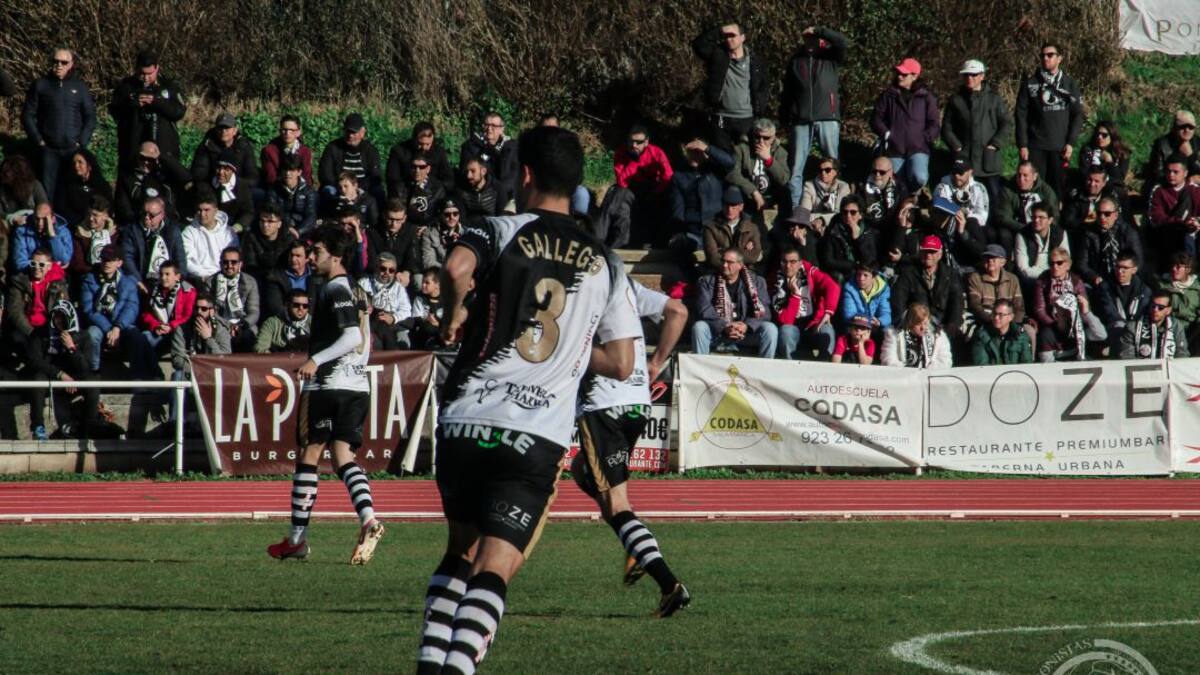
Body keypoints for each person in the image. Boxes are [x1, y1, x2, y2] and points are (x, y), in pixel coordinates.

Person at [416, 126, 639, 673]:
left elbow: (454, 270)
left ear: (527, 176)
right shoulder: (607, 262)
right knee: (494, 566)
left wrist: (452, 319)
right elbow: (622, 362)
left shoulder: (499, 226)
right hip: (536, 433)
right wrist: (569, 346)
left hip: (466, 417)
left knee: (458, 553)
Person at [267, 225, 384, 565]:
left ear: (334, 255)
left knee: (309, 453)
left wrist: (315, 359)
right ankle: (369, 519)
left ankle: (296, 540)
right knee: (343, 455)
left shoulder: (335, 287)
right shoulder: (358, 289)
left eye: (316, 252)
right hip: (357, 385)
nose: (311, 258)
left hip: (329, 384)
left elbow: (349, 337)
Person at [573, 275, 690, 611]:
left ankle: (669, 585)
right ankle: (635, 542)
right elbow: (678, 312)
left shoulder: (576, 285)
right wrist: (656, 362)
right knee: (584, 469)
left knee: (616, 504)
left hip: (603, 404)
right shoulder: (625, 284)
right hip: (638, 401)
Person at [781, 25, 848, 206]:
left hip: (827, 117)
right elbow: (787, 92)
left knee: (832, 164)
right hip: (800, 119)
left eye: (814, 38)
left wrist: (819, 30)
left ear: (820, 39)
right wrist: (784, 118)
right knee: (796, 167)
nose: (810, 42)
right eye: (807, 39)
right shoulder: (796, 61)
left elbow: (842, 42)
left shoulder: (830, 57)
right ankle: (796, 209)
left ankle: (836, 204)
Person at [5, 248, 68, 439]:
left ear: (49, 266)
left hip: (48, 333)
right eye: (33, 264)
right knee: (35, 362)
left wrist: (47, 333)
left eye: (41, 265)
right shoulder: (19, 281)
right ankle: (38, 426)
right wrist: (33, 335)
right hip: (28, 332)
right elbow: (15, 312)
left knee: (39, 374)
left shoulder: (58, 284)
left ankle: (39, 426)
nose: (37, 268)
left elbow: (62, 312)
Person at [22, 47, 97, 203]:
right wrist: (38, 140)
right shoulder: (41, 85)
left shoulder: (80, 87)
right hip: (49, 150)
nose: (59, 65)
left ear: (71, 64)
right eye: (55, 61)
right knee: (47, 193)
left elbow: (90, 116)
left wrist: (81, 142)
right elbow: (27, 115)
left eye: (64, 62)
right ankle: (48, 223)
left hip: (73, 150)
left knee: (71, 190)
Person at [1015, 41, 1084, 198]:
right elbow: (1020, 115)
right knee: (1034, 188)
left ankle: (1055, 220)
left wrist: (1071, 143)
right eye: (1042, 55)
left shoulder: (1069, 83)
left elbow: (1077, 115)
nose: (1046, 58)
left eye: (1050, 55)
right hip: (1035, 146)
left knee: (1057, 189)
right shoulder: (1031, 83)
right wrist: (1022, 144)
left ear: (1059, 58)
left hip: (1059, 147)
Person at [691, 21, 769, 151]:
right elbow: (699, 45)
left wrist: (760, 106)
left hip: (746, 117)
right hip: (721, 116)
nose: (729, 39)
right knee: (722, 157)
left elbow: (763, 85)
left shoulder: (754, 60)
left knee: (747, 155)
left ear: (742, 37)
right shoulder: (718, 55)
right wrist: (719, 30)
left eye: (732, 35)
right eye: (726, 36)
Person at [941, 59, 1011, 204]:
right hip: (965, 160)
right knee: (963, 199)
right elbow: (947, 128)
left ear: (982, 76)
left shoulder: (994, 99)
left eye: (973, 75)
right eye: (966, 75)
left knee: (994, 198)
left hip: (989, 161)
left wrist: (995, 143)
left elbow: (1006, 123)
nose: (969, 78)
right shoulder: (956, 100)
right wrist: (956, 146)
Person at [597, 125, 674, 248]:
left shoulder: (657, 153)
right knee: (617, 195)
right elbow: (622, 182)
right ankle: (601, 239)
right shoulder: (621, 153)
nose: (634, 145)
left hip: (654, 189)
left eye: (639, 142)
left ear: (646, 142)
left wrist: (655, 192)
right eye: (631, 142)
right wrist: (634, 161)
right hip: (629, 189)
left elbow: (668, 177)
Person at [109, 50, 186, 172]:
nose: (146, 78)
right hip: (133, 147)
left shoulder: (168, 86)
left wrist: (158, 103)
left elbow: (179, 112)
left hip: (164, 146)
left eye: (150, 74)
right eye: (142, 74)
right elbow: (114, 111)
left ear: (157, 68)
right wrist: (133, 104)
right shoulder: (126, 86)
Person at [871, 58, 939, 192]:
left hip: (918, 149)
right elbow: (876, 119)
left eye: (904, 74)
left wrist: (924, 138)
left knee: (919, 177)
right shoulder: (888, 96)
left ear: (915, 76)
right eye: (898, 73)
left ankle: (914, 196)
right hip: (894, 148)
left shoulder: (926, 97)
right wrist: (887, 134)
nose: (899, 76)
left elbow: (934, 123)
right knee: (894, 183)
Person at [1031, 248, 1105, 362]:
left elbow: (1101, 335)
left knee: (1097, 332)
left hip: (1076, 323)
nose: (1055, 266)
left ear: (1068, 265)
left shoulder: (1076, 281)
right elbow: (1039, 309)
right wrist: (1059, 324)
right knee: (1046, 335)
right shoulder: (1042, 281)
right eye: (1051, 263)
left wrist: (1086, 311)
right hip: (1052, 323)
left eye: (1059, 263)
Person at [130, 259, 195, 381]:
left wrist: (171, 326)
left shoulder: (188, 291)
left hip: (180, 334)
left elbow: (188, 316)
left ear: (177, 277)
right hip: (160, 331)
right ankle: (154, 374)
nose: (163, 278)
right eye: (161, 274)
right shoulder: (154, 291)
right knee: (143, 338)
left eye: (167, 274)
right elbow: (146, 314)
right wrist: (156, 325)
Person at [79, 243, 139, 373]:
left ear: (119, 263)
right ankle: (94, 371)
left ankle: (138, 375)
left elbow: (131, 307)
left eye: (111, 260)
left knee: (136, 335)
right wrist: (109, 330)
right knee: (92, 334)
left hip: (120, 324)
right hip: (99, 324)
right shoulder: (90, 280)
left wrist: (117, 327)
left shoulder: (128, 282)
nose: (107, 263)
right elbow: (88, 310)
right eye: (104, 259)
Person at [770, 246, 838, 360]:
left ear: (800, 263)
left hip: (812, 323)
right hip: (793, 326)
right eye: (784, 262)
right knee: (786, 331)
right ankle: (790, 369)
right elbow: (785, 320)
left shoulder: (809, 271)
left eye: (792, 262)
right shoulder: (775, 280)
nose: (788, 266)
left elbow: (833, 286)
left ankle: (825, 369)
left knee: (827, 330)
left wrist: (828, 311)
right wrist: (795, 295)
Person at [889, 235, 963, 337]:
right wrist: (906, 325)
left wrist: (951, 327)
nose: (928, 255)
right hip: (915, 324)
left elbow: (957, 303)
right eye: (926, 251)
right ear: (920, 252)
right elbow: (898, 301)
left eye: (932, 252)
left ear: (940, 254)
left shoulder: (951, 274)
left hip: (942, 325)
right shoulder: (908, 273)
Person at [668, 139, 733, 246]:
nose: (694, 155)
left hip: (717, 229)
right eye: (691, 151)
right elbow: (678, 208)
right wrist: (678, 231)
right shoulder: (679, 176)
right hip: (693, 231)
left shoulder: (715, 170)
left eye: (698, 151)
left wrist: (708, 149)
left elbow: (730, 163)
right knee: (680, 244)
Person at [121, 196, 187, 294]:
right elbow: (127, 257)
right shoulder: (131, 231)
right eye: (144, 214)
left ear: (162, 214)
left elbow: (180, 258)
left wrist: (177, 281)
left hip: (168, 280)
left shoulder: (173, 230)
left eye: (151, 215)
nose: (146, 218)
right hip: (142, 280)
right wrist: (138, 281)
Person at [112, 141, 190, 224]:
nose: (146, 162)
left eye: (150, 159)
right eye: (143, 158)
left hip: (167, 223)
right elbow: (123, 207)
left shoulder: (164, 175)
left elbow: (186, 177)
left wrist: (162, 157)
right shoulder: (127, 177)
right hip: (138, 223)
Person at [994, 162, 1059, 260]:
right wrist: (1025, 229)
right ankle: (1008, 264)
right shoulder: (1007, 190)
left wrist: (1041, 228)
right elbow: (1004, 217)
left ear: (1034, 176)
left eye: (1025, 175)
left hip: (1041, 227)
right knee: (1004, 234)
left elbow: (1054, 215)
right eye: (1019, 175)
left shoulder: (1046, 191)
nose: (1021, 179)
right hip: (1018, 227)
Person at [727, 118, 790, 216]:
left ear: (773, 138)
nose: (761, 141)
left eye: (766, 138)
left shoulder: (780, 152)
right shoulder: (742, 149)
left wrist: (769, 159)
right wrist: (754, 192)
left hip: (771, 196)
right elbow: (732, 173)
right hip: (748, 196)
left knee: (786, 191)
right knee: (733, 189)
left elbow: (784, 179)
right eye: (757, 137)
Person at [1075, 197, 1142, 287]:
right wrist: (1094, 277)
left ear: (1116, 215)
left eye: (1107, 214)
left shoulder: (1128, 233)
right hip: (1098, 279)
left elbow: (1138, 261)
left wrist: (1126, 275)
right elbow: (1081, 264)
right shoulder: (1088, 234)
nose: (1102, 217)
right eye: (1099, 214)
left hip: (1124, 278)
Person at [458, 112, 519, 209]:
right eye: (486, 125)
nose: (489, 129)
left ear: (502, 129)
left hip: (507, 195)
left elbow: (515, 175)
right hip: (479, 196)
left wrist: (501, 189)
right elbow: (465, 173)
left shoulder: (512, 147)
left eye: (494, 126)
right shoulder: (470, 146)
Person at [1094, 250, 1151, 353]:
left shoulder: (1143, 290)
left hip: (1136, 330)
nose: (1120, 271)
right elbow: (1110, 313)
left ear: (1134, 270)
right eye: (1117, 267)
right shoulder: (1105, 286)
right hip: (1113, 329)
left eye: (1125, 268)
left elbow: (1143, 313)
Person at [318, 113, 383, 201]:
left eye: (353, 132)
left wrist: (355, 189)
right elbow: (325, 174)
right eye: (348, 131)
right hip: (338, 186)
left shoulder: (370, 151)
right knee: (327, 191)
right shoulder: (333, 147)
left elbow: (375, 175)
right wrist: (342, 188)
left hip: (362, 188)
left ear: (362, 133)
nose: (350, 135)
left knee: (378, 191)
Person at [1147, 157, 1200, 261]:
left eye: (1176, 172)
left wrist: (1196, 222)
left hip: (1193, 230)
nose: (1171, 175)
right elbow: (1155, 217)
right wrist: (1182, 222)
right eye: (1168, 171)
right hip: (1167, 231)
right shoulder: (1159, 190)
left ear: (1185, 173)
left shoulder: (1194, 190)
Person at [818, 194, 878, 284]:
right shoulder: (834, 230)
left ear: (860, 215)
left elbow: (870, 260)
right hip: (842, 271)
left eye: (853, 212)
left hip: (863, 273)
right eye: (845, 212)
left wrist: (858, 239)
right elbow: (828, 260)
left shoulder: (868, 231)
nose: (848, 216)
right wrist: (854, 265)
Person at [210, 246, 260, 352]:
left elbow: (254, 311)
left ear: (240, 264)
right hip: (220, 322)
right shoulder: (211, 282)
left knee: (249, 335)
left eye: (233, 262)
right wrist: (227, 326)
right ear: (220, 264)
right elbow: (211, 311)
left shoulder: (250, 282)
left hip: (243, 322)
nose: (229, 266)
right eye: (225, 262)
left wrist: (241, 325)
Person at [182, 192, 238, 286]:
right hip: (200, 279)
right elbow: (187, 261)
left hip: (226, 276)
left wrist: (222, 275)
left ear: (215, 211)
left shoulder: (229, 233)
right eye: (199, 210)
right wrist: (204, 275)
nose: (202, 214)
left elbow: (235, 258)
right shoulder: (189, 232)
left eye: (206, 210)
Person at [387, 121, 456, 198]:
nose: (424, 148)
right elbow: (392, 180)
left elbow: (449, 180)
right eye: (420, 144)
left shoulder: (439, 153)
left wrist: (431, 184)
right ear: (414, 139)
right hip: (405, 194)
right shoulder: (399, 152)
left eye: (428, 144)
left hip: (432, 195)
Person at [358, 252, 412, 350]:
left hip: (394, 326)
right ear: (376, 267)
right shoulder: (364, 283)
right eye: (383, 269)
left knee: (404, 343)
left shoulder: (399, 288)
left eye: (391, 270)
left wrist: (393, 318)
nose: (387, 273)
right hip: (371, 325)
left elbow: (407, 311)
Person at [965, 244, 1025, 331]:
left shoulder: (1013, 279)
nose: (990, 261)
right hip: (984, 320)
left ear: (1003, 262)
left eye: (994, 258)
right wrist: (993, 320)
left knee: (1029, 332)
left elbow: (1019, 306)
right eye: (987, 258)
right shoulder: (975, 278)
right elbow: (975, 305)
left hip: (1008, 319)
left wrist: (1013, 324)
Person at [191, 112, 259, 189]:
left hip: (239, 188)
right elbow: (199, 175)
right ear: (215, 129)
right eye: (220, 128)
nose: (223, 131)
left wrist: (233, 184)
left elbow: (252, 176)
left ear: (234, 130)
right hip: (213, 188)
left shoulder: (244, 146)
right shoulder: (207, 146)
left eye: (227, 128)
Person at [703, 187, 761, 271]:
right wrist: (742, 251)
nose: (729, 210)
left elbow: (753, 256)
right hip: (719, 270)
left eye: (733, 206)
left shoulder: (752, 228)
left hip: (746, 270)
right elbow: (713, 257)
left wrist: (722, 251)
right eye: (726, 205)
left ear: (741, 207)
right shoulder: (710, 227)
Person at [1120, 288, 1189, 359]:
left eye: (1160, 307)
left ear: (1168, 310)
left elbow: (1182, 354)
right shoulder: (1133, 327)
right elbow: (1127, 357)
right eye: (1153, 306)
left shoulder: (1176, 326)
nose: (1155, 310)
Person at [880, 302, 952, 368]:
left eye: (925, 323)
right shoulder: (894, 335)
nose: (923, 327)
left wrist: (928, 371)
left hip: (930, 378)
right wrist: (906, 371)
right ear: (910, 323)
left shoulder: (938, 336)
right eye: (918, 324)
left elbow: (945, 361)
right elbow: (888, 359)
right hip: (903, 379)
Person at [54, 149, 112, 227]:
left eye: (80, 162)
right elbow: (61, 208)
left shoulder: (102, 186)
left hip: (97, 224)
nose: (76, 166)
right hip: (74, 225)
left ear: (89, 166)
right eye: (74, 163)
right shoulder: (67, 185)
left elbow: (108, 208)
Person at [1015, 203, 1069, 286]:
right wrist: (1047, 277)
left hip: (1055, 274)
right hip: (1032, 277)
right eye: (1034, 217)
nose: (1036, 220)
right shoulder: (1023, 235)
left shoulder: (1060, 234)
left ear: (1050, 220)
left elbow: (1065, 261)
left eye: (1041, 217)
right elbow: (1023, 269)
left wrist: (1055, 275)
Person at [68, 195, 118, 283]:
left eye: (95, 215)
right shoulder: (78, 233)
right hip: (86, 278)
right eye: (88, 214)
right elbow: (78, 264)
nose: (90, 218)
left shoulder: (114, 234)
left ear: (105, 216)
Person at [1060, 166, 1122, 237]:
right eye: (1090, 180)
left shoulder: (1111, 198)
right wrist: (1083, 220)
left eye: (1096, 181)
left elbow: (1119, 220)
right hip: (1080, 236)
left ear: (1104, 183)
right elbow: (1067, 221)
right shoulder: (1076, 197)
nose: (1092, 184)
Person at [261, 240, 315, 321]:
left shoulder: (315, 278)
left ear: (307, 259)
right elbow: (275, 307)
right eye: (291, 255)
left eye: (298, 256)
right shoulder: (275, 277)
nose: (293, 259)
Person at [11, 202, 72, 272]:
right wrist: (47, 266)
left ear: (53, 219)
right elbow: (19, 262)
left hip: (54, 275)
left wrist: (52, 236)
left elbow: (63, 260)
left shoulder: (63, 231)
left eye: (44, 219)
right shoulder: (22, 231)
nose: (40, 223)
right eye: (37, 219)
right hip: (30, 273)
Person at [241, 204, 296, 281]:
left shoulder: (288, 239)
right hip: (258, 280)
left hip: (284, 280)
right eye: (262, 221)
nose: (265, 225)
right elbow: (250, 267)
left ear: (279, 224)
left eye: (270, 221)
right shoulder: (251, 237)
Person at [970, 298, 1033, 365]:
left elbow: (1026, 364)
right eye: (994, 313)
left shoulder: (1021, 336)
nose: (996, 318)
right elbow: (981, 366)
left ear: (1010, 317)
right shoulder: (981, 336)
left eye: (1001, 315)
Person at [266, 155, 318, 237]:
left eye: (292, 170)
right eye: (285, 170)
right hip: (280, 228)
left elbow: (311, 216)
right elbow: (271, 211)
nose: (287, 173)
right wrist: (286, 228)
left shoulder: (308, 191)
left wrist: (298, 231)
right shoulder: (274, 189)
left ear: (299, 172)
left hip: (301, 230)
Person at [932, 159, 988, 232]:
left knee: (973, 223)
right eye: (954, 172)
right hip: (946, 226)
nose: (956, 176)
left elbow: (983, 217)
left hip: (970, 227)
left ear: (970, 172)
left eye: (960, 172)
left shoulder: (979, 188)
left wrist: (965, 215)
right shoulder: (942, 186)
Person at [799, 156, 850, 236]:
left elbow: (840, 214)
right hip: (813, 226)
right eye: (820, 170)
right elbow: (804, 213)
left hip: (835, 227)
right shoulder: (809, 185)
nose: (823, 173)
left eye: (827, 170)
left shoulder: (843, 187)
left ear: (835, 172)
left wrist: (822, 220)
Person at [1078, 120, 1130, 197]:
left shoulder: (1122, 153)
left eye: (1104, 135)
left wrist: (1110, 162)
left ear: (1112, 136)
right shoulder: (1088, 150)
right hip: (1090, 185)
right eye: (1098, 134)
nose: (1100, 137)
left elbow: (1120, 178)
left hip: (1111, 187)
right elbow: (1083, 171)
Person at [1147, 111, 1200, 185]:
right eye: (1182, 127)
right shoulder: (1162, 144)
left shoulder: (1197, 142)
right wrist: (1183, 181)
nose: (1187, 130)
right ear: (1175, 128)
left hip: (1189, 185)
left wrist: (1190, 156)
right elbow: (1157, 174)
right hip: (1167, 184)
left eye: (1190, 127)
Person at [260, 115, 313, 187]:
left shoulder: (305, 151)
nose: (287, 133)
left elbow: (307, 176)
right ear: (280, 131)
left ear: (298, 132)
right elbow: (271, 178)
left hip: (300, 190)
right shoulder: (269, 151)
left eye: (292, 130)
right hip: (276, 190)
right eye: (284, 130)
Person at [398, 266, 443, 350]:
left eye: (427, 282)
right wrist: (428, 321)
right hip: (424, 334)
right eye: (422, 281)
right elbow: (417, 319)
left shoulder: (446, 300)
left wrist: (437, 324)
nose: (423, 285)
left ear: (437, 285)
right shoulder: (420, 298)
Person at [858, 156, 909, 231]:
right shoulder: (862, 187)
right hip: (869, 229)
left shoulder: (900, 188)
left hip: (892, 228)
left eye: (882, 172)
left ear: (890, 172)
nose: (877, 175)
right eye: (874, 171)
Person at [396, 153, 446, 228]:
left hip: (430, 227)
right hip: (406, 227)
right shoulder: (401, 187)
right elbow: (397, 211)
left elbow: (442, 213)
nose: (417, 170)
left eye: (422, 167)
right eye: (414, 167)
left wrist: (428, 226)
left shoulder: (437, 187)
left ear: (428, 169)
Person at [254, 288, 311, 354]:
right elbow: (260, 348)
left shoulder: (313, 322)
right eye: (296, 305)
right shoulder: (272, 323)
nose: (301, 308)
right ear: (287, 305)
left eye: (305, 306)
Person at [839, 261, 891, 330]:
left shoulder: (883, 289)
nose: (861, 278)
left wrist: (879, 321)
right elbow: (849, 314)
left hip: (874, 326)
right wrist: (865, 321)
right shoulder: (849, 288)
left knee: (886, 330)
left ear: (874, 277)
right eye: (858, 274)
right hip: (856, 325)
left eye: (865, 275)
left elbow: (885, 313)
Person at [1163, 252, 1200, 346]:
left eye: (1178, 267)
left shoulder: (1197, 288)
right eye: (1173, 265)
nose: (1174, 269)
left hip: (1192, 330)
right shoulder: (1163, 285)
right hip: (1169, 329)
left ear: (1188, 269)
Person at [210, 153, 254, 230]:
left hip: (233, 225)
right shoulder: (208, 184)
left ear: (233, 171)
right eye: (218, 168)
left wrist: (238, 226)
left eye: (226, 169)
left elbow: (248, 212)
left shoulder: (242, 186)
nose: (221, 172)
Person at [419, 199, 464, 271]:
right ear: (441, 215)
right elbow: (428, 262)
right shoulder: (429, 233)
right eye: (447, 214)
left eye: (455, 213)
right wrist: (449, 270)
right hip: (439, 274)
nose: (451, 217)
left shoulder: (467, 233)